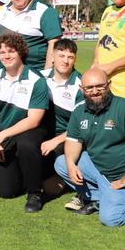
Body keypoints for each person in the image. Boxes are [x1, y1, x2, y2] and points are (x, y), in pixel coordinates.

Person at [54, 68, 125, 226]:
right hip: (101, 171)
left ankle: (117, 197)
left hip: (124, 179)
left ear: (109, 85)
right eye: (89, 88)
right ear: (81, 89)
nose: (95, 91)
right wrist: (71, 165)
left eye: (100, 86)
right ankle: (100, 198)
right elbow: (72, 141)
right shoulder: (79, 111)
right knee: (62, 163)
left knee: (110, 219)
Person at [0, 33, 49, 212]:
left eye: (11, 51)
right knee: (6, 191)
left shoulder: (36, 80)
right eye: (2, 52)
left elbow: (34, 120)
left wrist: (2, 135)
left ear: (21, 52)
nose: (6, 55)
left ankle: (35, 193)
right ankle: (29, 173)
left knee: (27, 144)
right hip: (3, 135)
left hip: (28, 130)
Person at [0, 0, 62, 70]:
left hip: (34, 76)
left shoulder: (45, 11)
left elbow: (54, 43)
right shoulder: (2, 10)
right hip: (3, 77)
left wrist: (47, 75)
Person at [40, 39, 84, 198]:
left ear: (75, 59)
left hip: (69, 138)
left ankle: (64, 178)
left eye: (70, 57)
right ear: (52, 56)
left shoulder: (81, 84)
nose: (65, 61)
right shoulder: (40, 77)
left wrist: (55, 141)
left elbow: (81, 126)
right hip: (43, 133)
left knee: (50, 188)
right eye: (61, 55)